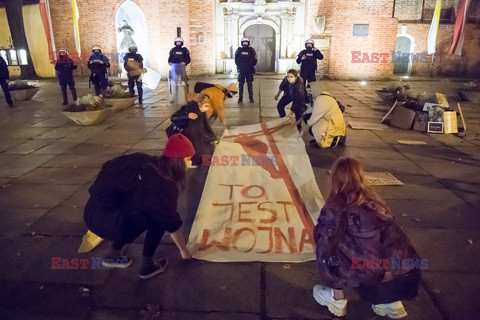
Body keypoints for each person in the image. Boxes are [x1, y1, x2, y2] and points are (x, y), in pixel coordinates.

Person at [313, 157, 421, 318]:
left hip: (372, 288)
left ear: (334, 178)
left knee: (327, 245)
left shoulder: (333, 208)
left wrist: (334, 280)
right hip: (410, 281)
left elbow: (324, 250)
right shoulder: (376, 202)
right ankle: (391, 303)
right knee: (383, 251)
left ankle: (337, 299)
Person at [83, 134, 195, 280]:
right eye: (188, 158)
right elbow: (171, 223)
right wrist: (184, 250)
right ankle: (147, 267)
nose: (190, 162)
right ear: (179, 161)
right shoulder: (164, 183)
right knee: (159, 218)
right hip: (107, 222)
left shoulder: (145, 160)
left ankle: (113, 254)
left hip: (92, 211)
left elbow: (108, 167)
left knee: (144, 210)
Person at [166, 100, 217, 166]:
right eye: (206, 106)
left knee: (198, 152)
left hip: (196, 137)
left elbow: (206, 127)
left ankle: (195, 164)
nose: (207, 109)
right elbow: (174, 118)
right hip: (186, 136)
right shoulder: (188, 108)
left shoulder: (202, 113)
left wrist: (212, 138)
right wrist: (187, 116)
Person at [235, 37, 257, 103]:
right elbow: (236, 59)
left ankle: (251, 98)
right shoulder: (239, 50)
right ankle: (240, 98)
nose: (245, 43)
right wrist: (239, 66)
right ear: (242, 43)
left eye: (246, 42)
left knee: (249, 84)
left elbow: (255, 59)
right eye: (244, 42)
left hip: (249, 70)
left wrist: (251, 65)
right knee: (241, 84)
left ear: (248, 43)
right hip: (241, 70)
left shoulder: (251, 50)